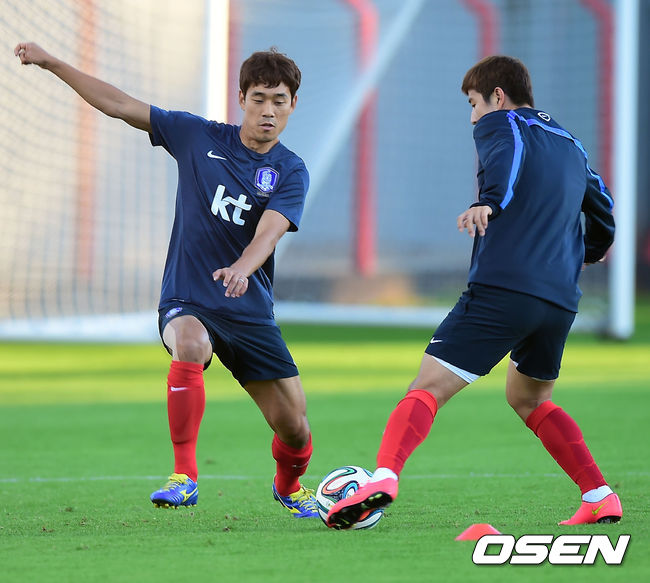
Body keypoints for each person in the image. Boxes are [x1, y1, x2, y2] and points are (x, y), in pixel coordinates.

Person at [15, 42, 318, 518]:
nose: (268, 111)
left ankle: (289, 485)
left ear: (293, 105)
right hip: (188, 297)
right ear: (241, 97)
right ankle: (184, 476)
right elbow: (119, 104)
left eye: (279, 101)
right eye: (259, 98)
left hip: (249, 308)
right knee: (190, 343)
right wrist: (52, 62)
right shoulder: (196, 136)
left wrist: (242, 268)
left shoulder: (290, 169)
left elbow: (270, 231)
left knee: (296, 430)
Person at [327, 55, 620, 529]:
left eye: (473, 103)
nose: (473, 117)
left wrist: (490, 201)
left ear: (497, 97)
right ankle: (600, 495)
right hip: (559, 299)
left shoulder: (501, 123)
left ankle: (383, 478)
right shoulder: (570, 143)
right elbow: (602, 207)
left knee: (426, 388)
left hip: (504, 289)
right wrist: (591, 251)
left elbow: (507, 158)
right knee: (530, 399)